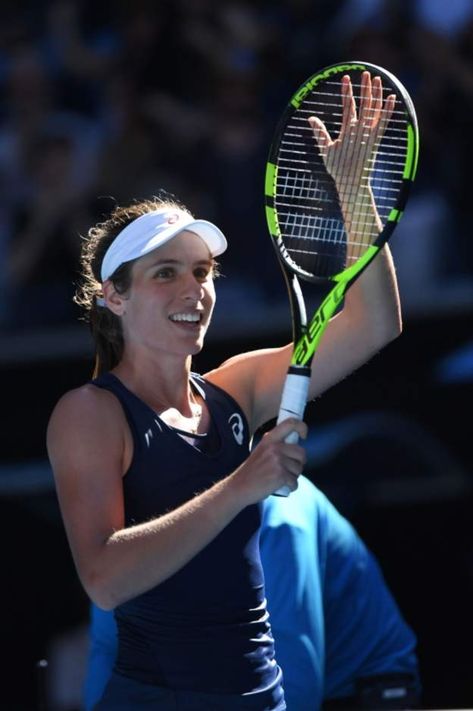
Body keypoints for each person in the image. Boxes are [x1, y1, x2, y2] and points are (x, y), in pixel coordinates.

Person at [47, 72, 402, 710]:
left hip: (261, 697)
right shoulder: (89, 414)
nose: (195, 290)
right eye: (166, 274)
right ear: (115, 297)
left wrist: (351, 186)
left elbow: (375, 323)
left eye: (203, 272)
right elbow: (104, 578)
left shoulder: (236, 387)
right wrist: (244, 482)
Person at [83, 475, 420, 711]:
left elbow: (295, 694)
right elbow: (109, 656)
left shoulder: (280, 516)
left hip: (358, 696)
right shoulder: (126, 528)